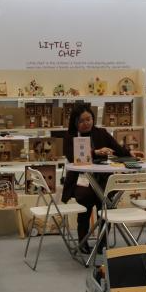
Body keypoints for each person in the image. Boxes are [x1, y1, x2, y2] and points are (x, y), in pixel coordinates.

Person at [60, 104, 133, 254]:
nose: (86, 123)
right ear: (75, 122)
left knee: (106, 205)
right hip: (81, 180)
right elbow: (72, 157)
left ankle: (102, 242)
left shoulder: (101, 133)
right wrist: (95, 152)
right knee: (85, 203)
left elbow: (118, 149)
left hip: (103, 179)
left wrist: (131, 156)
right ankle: (83, 241)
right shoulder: (70, 136)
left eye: (89, 119)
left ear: (93, 118)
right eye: (82, 121)